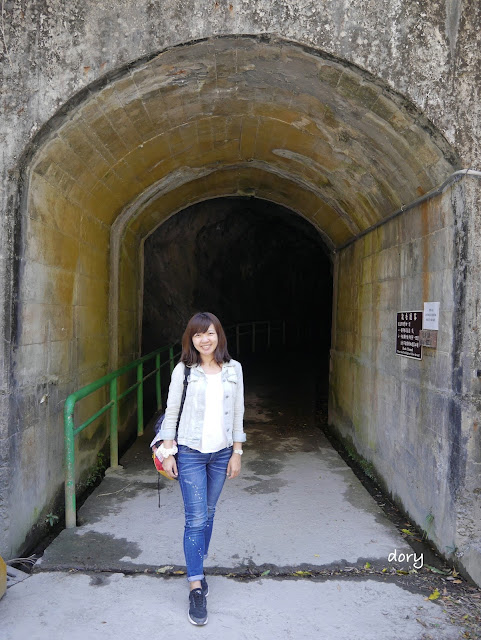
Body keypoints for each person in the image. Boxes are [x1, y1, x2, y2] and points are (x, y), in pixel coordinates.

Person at [154, 311, 246, 626]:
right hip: (190, 453)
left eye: (209, 333)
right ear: (190, 339)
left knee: (209, 512)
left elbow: (238, 412)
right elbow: (172, 411)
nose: (204, 339)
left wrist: (237, 452)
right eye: (197, 334)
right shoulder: (184, 371)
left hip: (222, 454)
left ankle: (197, 564)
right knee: (195, 519)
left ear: (219, 336)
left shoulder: (234, 370)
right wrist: (169, 452)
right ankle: (196, 586)